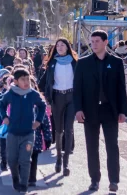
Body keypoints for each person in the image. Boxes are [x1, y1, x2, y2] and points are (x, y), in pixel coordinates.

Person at [74, 30, 127, 192]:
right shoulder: (83, 63)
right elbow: (77, 89)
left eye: (97, 41)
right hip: (90, 111)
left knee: (112, 146)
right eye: (92, 41)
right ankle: (94, 179)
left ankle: (114, 181)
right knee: (92, 146)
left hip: (110, 111)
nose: (94, 44)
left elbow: (121, 89)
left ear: (105, 42)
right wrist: (78, 109)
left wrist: (122, 111)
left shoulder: (116, 63)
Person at [0, 68, 46, 193]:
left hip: (28, 134)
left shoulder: (32, 94)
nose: (26, 82)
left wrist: (38, 121)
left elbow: (42, 105)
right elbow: (1, 104)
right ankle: (15, 177)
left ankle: (24, 185)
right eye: (23, 79)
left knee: (25, 160)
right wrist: (4, 117)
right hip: (13, 133)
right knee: (12, 159)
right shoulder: (11, 93)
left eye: (28, 79)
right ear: (16, 81)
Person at [39, 38, 78, 176]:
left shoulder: (75, 62)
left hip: (71, 97)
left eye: (63, 45)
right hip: (57, 97)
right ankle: (58, 160)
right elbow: (42, 82)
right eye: (58, 45)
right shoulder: (52, 63)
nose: (60, 47)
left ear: (68, 47)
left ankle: (66, 162)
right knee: (59, 130)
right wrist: (47, 98)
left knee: (69, 129)